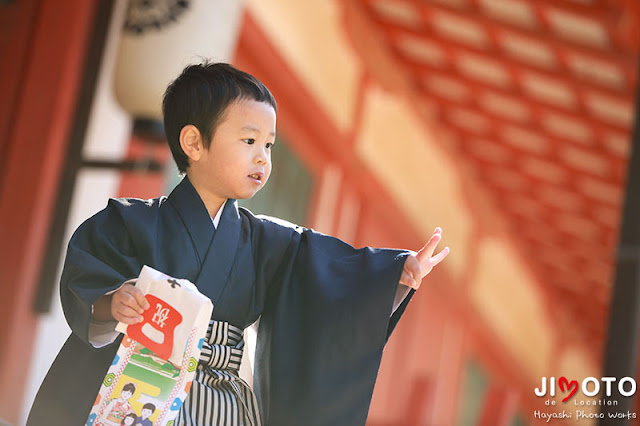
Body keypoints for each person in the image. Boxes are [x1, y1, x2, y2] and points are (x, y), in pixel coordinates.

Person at [28, 62, 449, 426]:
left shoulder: (270, 240)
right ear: (194, 142)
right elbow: (88, 279)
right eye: (249, 141)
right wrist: (113, 301)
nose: (264, 158)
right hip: (129, 378)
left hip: (219, 396)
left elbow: (329, 281)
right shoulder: (128, 222)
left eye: (269, 145)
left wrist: (393, 274)